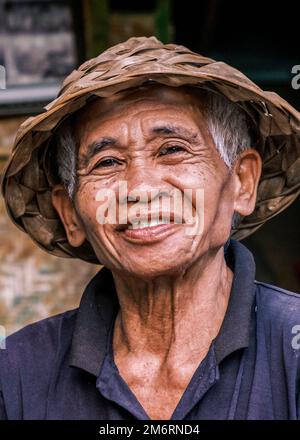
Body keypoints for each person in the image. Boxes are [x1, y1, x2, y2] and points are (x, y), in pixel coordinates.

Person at [1, 36, 300, 420]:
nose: (140, 188)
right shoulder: (16, 375)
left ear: (242, 182)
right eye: (107, 162)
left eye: (173, 149)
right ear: (70, 214)